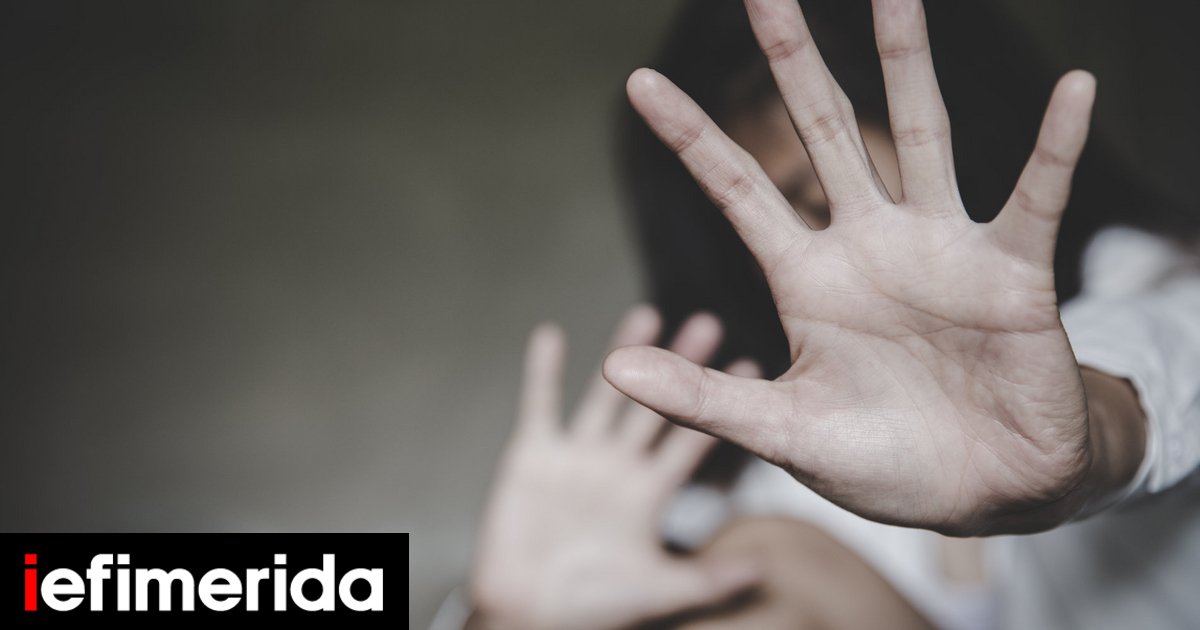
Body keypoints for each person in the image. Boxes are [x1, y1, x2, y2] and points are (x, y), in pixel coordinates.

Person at [434, 0, 1200, 627]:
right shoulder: (778, 460)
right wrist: (501, 624)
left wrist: (1084, 437)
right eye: (756, 217)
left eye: (814, 192)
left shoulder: (1154, 285)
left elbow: (1154, 371)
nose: (809, 241)